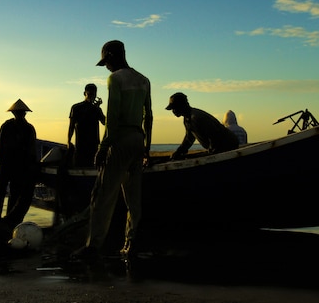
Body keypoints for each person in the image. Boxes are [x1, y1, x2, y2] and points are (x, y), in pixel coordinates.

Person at [72, 40, 153, 261]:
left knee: (102, 196)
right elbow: (149, 116)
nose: (106, 66)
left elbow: (113, 118)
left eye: (106, 61)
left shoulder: (114, 79)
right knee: (133, 200)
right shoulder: (144, 80)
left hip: (120, 141)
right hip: (138, 140)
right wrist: (146, 148)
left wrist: (103, 147)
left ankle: (93, 247)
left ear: (111, 56)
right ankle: (131, 243)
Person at [0, 99, 39, 228]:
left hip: (18, 167)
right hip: (8, 165)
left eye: (20, 112)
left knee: (12, 194)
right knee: (1, 193)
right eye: (18, 112)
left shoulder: (27, 129)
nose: (19, 114)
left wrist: (31, 166)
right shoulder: (8, 126)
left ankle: (8, 220)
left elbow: (31, 150)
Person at [166, 92, 239, 160]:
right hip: (221, 147)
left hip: (228, 145)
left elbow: (214, 135)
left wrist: (211, 153)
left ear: (182, 106)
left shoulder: (196, 117)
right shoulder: (187, 119)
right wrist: (179, 151)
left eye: (174, 108)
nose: (173, 111)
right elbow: (189, 138)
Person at [68, 84, 106, 167]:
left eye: (94, 95)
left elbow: (105, 122)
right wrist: (69, 141)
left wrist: (97, 108)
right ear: (84, 93)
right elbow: (71, 126)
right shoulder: (76, 108)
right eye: (90, 94)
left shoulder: (96, 109)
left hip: (94, 146)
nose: (92, 97)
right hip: (80, 145)